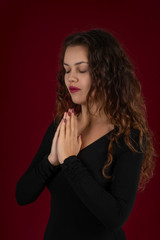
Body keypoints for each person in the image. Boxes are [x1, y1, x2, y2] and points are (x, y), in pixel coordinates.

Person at [15, 28, 157, 240]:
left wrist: (71, 161)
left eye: (81, 70)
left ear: (105, 73)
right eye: (67, 70)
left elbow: (115, 216)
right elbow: (22, 195)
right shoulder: (62, 127)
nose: (70, 78)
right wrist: (52, 161)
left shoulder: (128, 136)